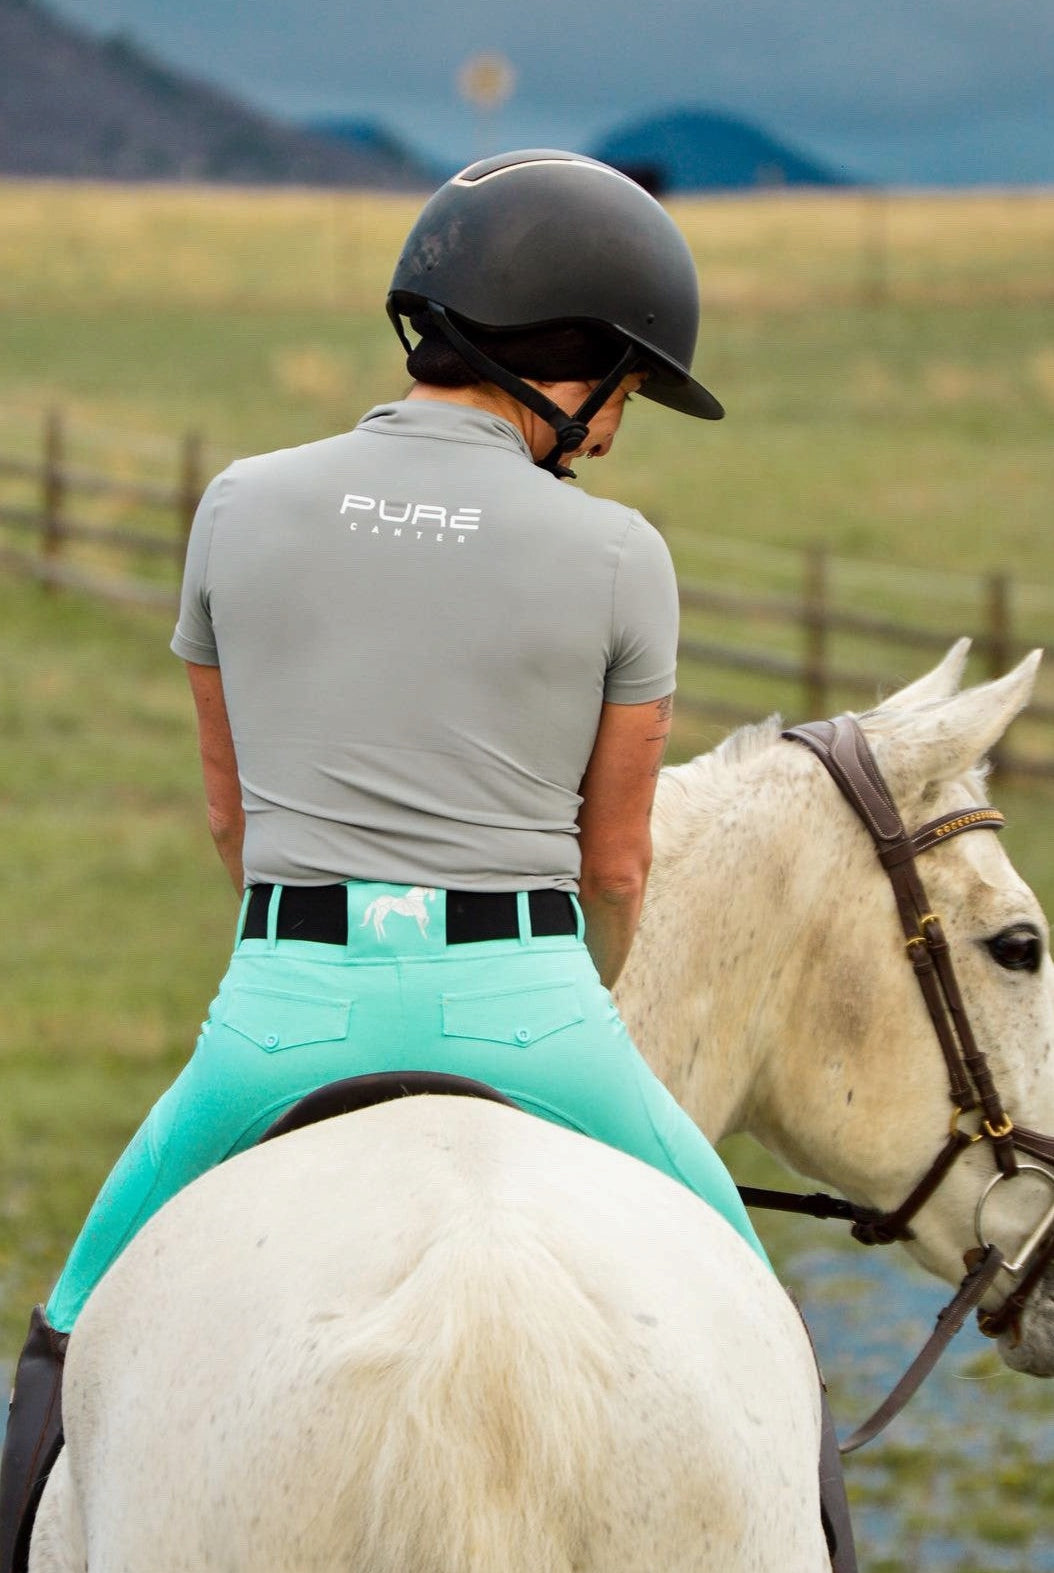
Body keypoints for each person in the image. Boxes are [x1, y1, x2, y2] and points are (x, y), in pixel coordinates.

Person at [1, 149, 853, 1572]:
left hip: (283, 1011)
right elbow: (621, 862)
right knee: (766, 1345)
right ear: (573, 361)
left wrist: (314, 948)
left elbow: (231, 817)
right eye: (629, 385)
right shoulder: (618, 554)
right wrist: (577, 986)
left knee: (68, 1331)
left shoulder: (236, 505)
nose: (622, 423)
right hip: (532, 1009)